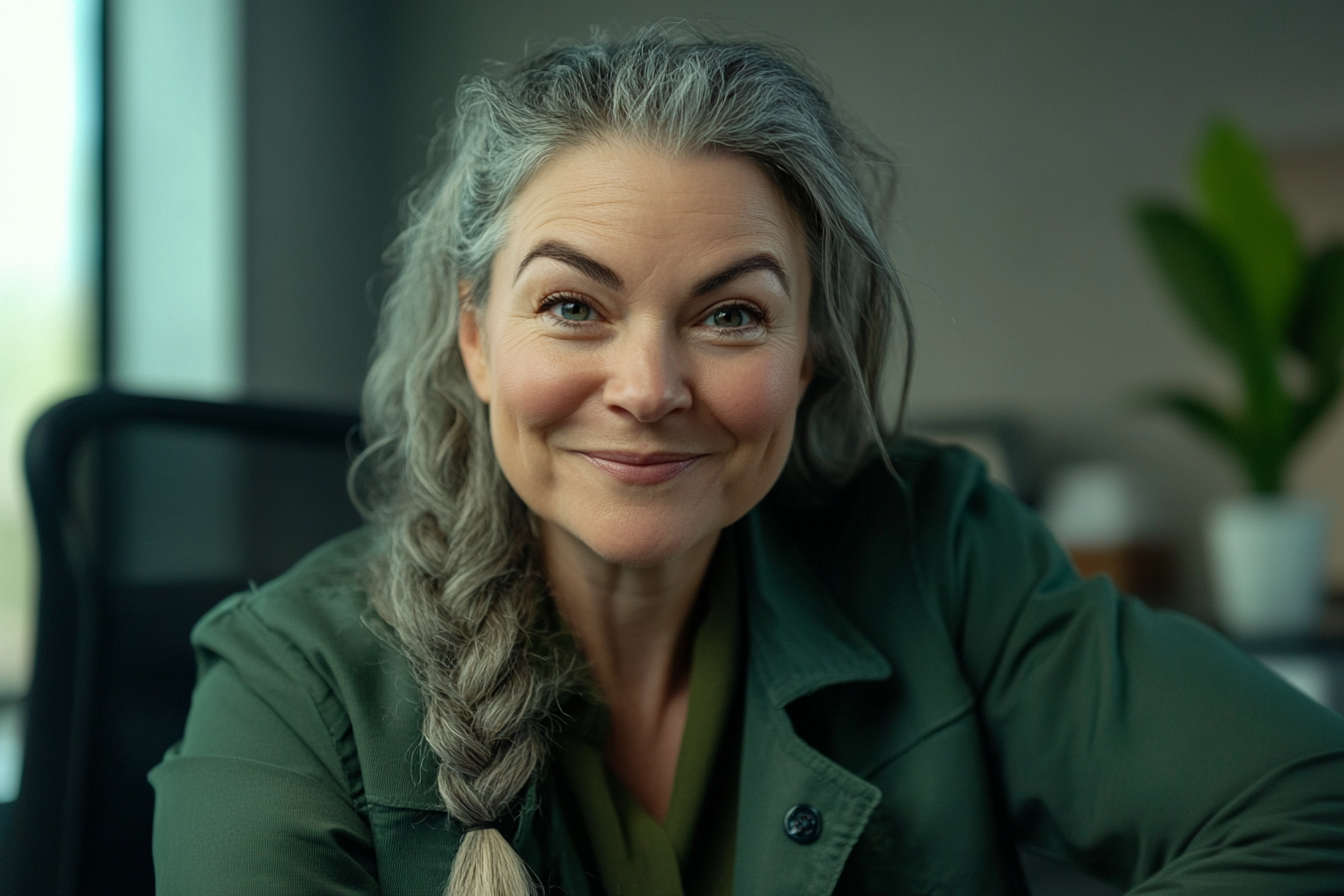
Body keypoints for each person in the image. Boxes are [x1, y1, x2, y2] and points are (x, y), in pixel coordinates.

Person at [150, 25, 1344, 896]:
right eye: (574, 306)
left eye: (730, 316)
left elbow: (1306, 806)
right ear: (474, 333)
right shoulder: (292, 682)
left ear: (810, 351)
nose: (649, 385)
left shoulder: (938, 548)